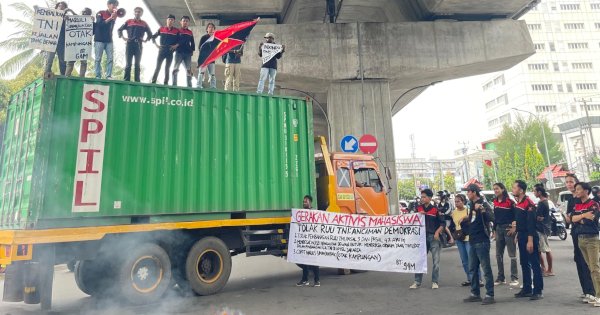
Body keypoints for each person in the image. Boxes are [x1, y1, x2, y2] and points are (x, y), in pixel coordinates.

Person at [565, 173, 596, 302]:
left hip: (589, 235)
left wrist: (578, 218)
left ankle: (592, 291)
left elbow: (590, 218)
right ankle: (585, 290)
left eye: (571, 182)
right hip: (575, 234)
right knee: (579, 261)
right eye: (567, 182)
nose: (569, 184)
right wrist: (577, 218)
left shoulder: (584, 199)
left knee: (589, 263)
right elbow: (570, 219)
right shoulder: (570, 199)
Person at [463, 184, 495, 305]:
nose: (467, 194)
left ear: (474, 192)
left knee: (486, 269)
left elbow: (492, 217)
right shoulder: (470, 204)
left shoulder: (483, 203)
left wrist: (482, 209)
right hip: (473, 239)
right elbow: (473, 219)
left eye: (468, 192)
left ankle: (489, 294)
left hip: (482, 240)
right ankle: (475, 293)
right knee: (472, 268)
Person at [513, 180, 544, 300]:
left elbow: (531, 223)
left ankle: (538, 290)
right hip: (521, 235)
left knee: (535, 264)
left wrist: (530, 241)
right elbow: (520, 222)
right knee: (524, 263)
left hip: (529, 236)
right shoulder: (518, 203)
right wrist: (517, 234)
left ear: (521, 190)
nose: (513, 190)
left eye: (514, 188)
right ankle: (527, 288)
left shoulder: (528, 203)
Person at [571, 182, 600, 306]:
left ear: (586, 191)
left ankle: (599, 296)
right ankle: (594, 294)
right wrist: (583, 216)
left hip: (591, 239)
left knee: (595, 268)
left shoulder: (594, 204)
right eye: (576, 189)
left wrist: (580, 219)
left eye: (578, 189)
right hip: (580, 238)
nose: (576, 191)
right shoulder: (576, 205)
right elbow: (573, 219)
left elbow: (591, 220)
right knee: (589, 268)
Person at [410, 189, 444, 290]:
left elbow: (443, 223)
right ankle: (417, 281)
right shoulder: (418, 208)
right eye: (422, 197)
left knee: (436, 261)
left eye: (424, 197)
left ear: (430, 198)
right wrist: (418, 215)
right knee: (419, 260)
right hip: (421, 238)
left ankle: (435, 281)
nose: (422, 198)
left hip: (433, 237)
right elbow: (411, 220)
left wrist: (437, 232)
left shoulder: (435, 209)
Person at [492, 182, 519, 286]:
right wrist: (494, 231)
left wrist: (514, 227)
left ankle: (514, 278)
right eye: (494, 189)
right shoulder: (495, 202)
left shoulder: (510, 202)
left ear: (503, 189)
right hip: (498, 229)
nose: (495, 191)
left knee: (512, 254)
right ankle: (500, 277)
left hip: (508, 229)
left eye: (497, 188)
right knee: (498, 255)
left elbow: (516, 216)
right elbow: (495, 218)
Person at [117, 7, 152, 82]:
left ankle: (137, 81)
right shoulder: (128, 21)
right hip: (129, 44)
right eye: (136, 11)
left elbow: (150, 33)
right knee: (128, 64)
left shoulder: (144, 23)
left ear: (141, 13)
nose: (137, 13)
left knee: (137, 64)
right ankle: (126, 80)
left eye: (139, 12)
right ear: (133, 13)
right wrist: (123, 37)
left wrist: (146, 40)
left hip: (138, 45)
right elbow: (119, 29)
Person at [452, 194, 479, 287]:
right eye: (455, 201)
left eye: (458, 201)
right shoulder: (453, 212)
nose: (456, 203)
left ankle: (478, 279)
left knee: (472, 259)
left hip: (468, 238)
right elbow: (454, 225)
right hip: (459, 238)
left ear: (463, 201)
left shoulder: (468, 210)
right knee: (464, 260)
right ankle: (470, 279)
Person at [44, 2, 75, 76]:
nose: (61, 7)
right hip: (52, 41)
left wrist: (70, 12)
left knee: (62, 61)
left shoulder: (67, 18)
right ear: (56, 7)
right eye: (59, 6)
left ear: (65, 8)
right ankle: (46, 74)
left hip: (62, 42)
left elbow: (78, 19)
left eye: (63, 6)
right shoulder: (52, 16)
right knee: (49, 59)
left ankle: (62, 75)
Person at [296, 195, 321, 287]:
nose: (304, 203)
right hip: (304, 241)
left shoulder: (314, 213)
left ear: (310, 202)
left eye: (305, 202)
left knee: (314, 261)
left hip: (313, 242)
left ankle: (317, 280)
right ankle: (305, 279)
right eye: (303, 202)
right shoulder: (301, 213)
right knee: (304, 261)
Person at [151, 15, 179, 85]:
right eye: (169, 19)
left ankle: (165, 83)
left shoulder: (176, 31)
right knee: (158, 67)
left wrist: (176, 45)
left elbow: (180, 40)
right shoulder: (161, 29)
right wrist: (156, 45)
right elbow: (153, 37)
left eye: (172, 20)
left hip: (170, 51)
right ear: (166, 20)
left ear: (173, 21)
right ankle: (153, 82)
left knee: (167, 68)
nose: (170, 21)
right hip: (162, 50)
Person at [94, 0, 119, 79]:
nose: (115, 7)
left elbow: (111, 28)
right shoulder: (100, 13)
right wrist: (110, 18)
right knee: (98, 58)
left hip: (109, 40)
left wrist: (114, 19)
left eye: (116, 5)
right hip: (99, 39)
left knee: (110, 58)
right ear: (108, 5)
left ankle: (108, 75)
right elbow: (99, 24)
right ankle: (98, 76)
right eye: (113, 5)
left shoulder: (114, 15)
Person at [66, 8, 93, 77]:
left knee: (83, 61)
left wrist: (92, 21)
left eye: (86, 13)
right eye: (83, 12)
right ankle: (67, 76)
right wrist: (70, 12)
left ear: (89, 14)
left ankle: (81, 77)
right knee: (70, 61)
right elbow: (74, 17)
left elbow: (93, 31)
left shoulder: (90, 21)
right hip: (74, 43)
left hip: (84, 44)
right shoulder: (76, 19)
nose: (84, 14)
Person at [533, 184, 553, 277]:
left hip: (541, 228)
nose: (534, 193)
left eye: (535, 191)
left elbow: (538, 217)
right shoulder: (544, 201)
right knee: (542, 249)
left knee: (542, 250)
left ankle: (546, 269)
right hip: (544, 227)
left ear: (539, 192)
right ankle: (546, 269)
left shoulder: (542, 203)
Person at [172, 16, 195, 87]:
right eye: (184, 21)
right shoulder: (177, 31)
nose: (185, 22)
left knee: (188, 70)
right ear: (181, 22)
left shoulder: (190, 32)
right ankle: (174, 84)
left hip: (187, 53)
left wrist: (192, 50)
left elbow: (192, 42)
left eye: (187, 21)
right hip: (179, 52)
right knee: (176, 68)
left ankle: (189, 85)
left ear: (188, 23)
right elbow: (174, 40)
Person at [197, 23, 217, 89]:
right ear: (207, 29)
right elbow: (200, 47)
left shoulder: (215, 38)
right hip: (204, 59)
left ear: (214, 30)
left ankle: (213, 86)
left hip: (212, 59)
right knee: (201, 73)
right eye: (209, 27)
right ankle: (199, 86)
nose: (211, 29)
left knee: (212, 74)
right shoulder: (204, 37)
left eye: (212, 28)